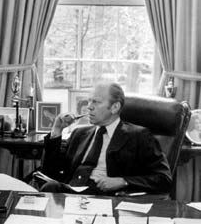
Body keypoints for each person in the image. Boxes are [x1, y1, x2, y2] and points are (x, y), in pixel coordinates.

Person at [39, 82, 172, 195]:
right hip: (70, 192)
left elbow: (164, 179)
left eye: (96, 102)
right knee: (48, 187)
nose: (89, 106)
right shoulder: (79, 134)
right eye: (89, 101)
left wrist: (123, 181)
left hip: (107, 198)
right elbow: (50, 172)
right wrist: (56, 131)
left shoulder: (139, 136)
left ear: (115, 107)